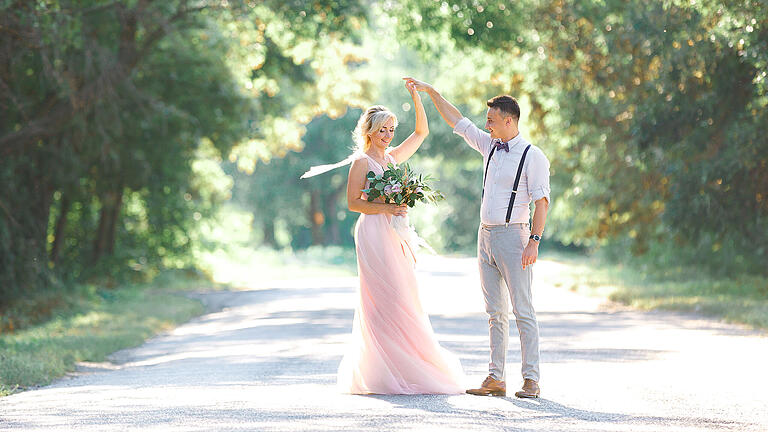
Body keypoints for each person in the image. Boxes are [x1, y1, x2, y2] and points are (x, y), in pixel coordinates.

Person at [404, 77, 551, 398]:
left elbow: (542, 202)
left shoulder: (532, 155)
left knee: (523, 309)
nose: (487, 126)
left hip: (515, 237)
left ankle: (531, 379)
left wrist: (534, 241)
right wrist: (431, 92)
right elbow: (457, 120)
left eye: (492, 121)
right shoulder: (489, 145)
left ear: (508, 121)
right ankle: (495, 378)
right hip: (484, 236)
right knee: (494, 313)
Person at [335, 81, 465, 394]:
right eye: (383, 130)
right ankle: (382, 369)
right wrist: (386, 205)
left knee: (404, 293)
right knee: (382, 295)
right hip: (373, 232)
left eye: (392, 129)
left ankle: (407, 361)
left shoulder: (392, 158)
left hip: (395, 232)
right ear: (369, 131)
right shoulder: (361, 162)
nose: (388, 135)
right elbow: (353, 203)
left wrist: (416, 97)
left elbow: (422, 133)